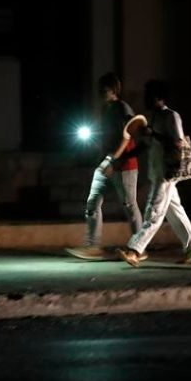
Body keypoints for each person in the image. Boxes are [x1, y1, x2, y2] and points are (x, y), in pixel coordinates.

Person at [117, 80, 191, 267]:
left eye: (148, 95)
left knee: (154, 211)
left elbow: (177, 142)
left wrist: (153, 134)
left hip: (166, 171)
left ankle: (135, 250)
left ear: (158, 98)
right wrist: (126, 155)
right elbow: (148, 144)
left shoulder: (172, 116)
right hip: (158, 171)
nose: (145, 99)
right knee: (175, 211)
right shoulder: (155, 117)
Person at [66, 73, 144, 261]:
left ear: (114, 90)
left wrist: (113, 161)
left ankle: (139, 248)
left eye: (105, 89)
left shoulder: (122, 108)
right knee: (93, 202)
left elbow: (127, 137)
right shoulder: (106, 109)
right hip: (107, 161)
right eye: (100, 89)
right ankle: (92, 245)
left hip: (124, 165)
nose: (101, 92)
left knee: (129, 205)